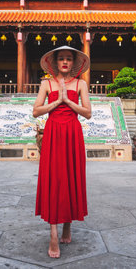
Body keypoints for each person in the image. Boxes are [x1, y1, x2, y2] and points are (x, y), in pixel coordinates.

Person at [33, 46, 91, 258]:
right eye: (61, 59)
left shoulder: (80, 84)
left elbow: (88, 113)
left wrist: (68, 101)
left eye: (68, 59)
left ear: (74, 63)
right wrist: (57, 101)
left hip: (73, 133)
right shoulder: (46, 83)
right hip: (53, 132)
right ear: (55, 62)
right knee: (54, 178)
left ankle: (67, 225)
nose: (65, 62)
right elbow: (36, 110)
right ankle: (54, 234)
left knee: (70, 177)